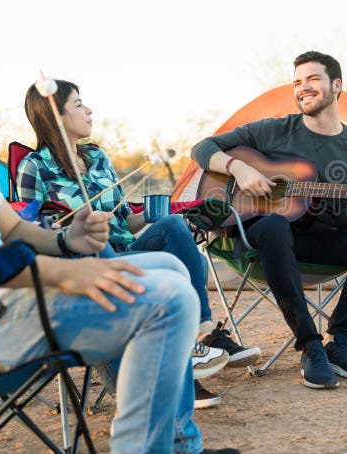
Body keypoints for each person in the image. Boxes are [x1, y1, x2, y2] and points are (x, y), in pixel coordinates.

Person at [0, 23, 236, 454]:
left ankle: (177, 445)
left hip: (0, 307)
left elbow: (13, 228)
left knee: (170, 268)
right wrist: (64, 275)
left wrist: (69, 241)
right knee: (168, 300)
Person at [17, 80, 261, 408]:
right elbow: (33, 229)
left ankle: (201, 331)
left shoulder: (97, 157)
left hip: (125, 249)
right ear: (55, 116)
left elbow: (123, 220)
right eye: (78, 104)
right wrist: (73, 226)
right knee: (130, 255)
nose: (89, 110)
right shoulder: (34, 167)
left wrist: (151, 213)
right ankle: (183, 366)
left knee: (173, 224)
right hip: (85, 261)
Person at [191, 51, 347, 389]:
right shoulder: (274, 131)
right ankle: (310, 345)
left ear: (336, 85)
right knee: (275, 225)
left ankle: (340, 342)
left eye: (312, 79)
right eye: (297, 82)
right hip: (265, 243)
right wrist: (239, 168)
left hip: (321, 243)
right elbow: (202, 148)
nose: (303, 87)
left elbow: (343, 218)